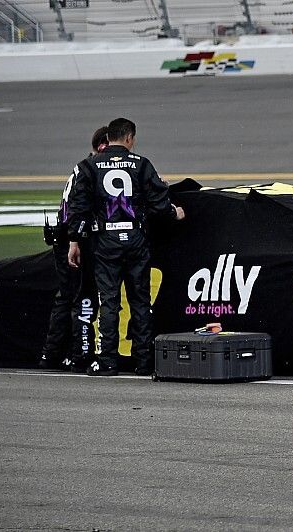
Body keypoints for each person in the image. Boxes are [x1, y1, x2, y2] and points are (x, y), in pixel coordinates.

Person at [67, 118, 184, 377]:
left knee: (108, 301)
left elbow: (78, 208)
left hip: (105, 243)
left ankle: (107, 362)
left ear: (108, 138)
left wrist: (74, 240)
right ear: (129, 138)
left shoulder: (88, 166)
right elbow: (158, 204)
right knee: (140, 300)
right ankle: (144, 361)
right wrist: (174, 213)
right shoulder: (141, 164)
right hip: (135, 241)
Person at [39, 126, 107, 372]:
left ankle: (52, 354)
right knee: (83, 296)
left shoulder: (80, 168)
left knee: (66, 297)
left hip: (62, 236)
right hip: (73, 238)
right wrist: (76, 241)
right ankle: (80, 354)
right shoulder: (93, 171)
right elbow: (81, 210)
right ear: (103, 147)